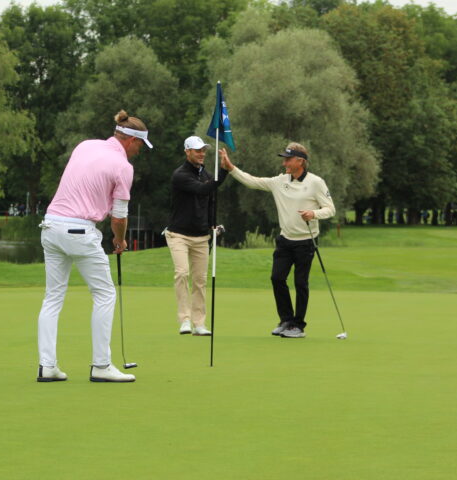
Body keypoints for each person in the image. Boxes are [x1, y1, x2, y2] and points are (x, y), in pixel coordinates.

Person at [36, 110, 152, 383]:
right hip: (79, 231)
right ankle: (101, 365)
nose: (139, 152)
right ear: (130, 140)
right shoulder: (124, 167)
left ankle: (47, 366)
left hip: (50, 226)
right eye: (140, 146)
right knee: (104, 294)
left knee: (52, 297)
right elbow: (119, 215)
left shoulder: (85, 145)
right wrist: (120, 240)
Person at [219, 142, 335, 338]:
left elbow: (330, 209)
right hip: (285, 240)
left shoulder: (316, 182)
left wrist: (313, 213)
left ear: (301, 161)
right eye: (284, 159)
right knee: (277, 278)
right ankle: (286, 320)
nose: (284, 163)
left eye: (288, 159)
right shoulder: (280, 181)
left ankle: (298, 325)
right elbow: (253, 181)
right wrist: (231, 169)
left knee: (300, 283)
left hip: (306, 242)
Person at [165, 136, 228, 336]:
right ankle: (184, 319)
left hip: (201, 236)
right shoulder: (180, 175)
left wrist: (212, 225)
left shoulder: (207, 174)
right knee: (182, 273)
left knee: (200, 280)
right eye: (197, 150)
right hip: (178, 234)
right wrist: (224, 171)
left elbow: (210, 202)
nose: (201, 154)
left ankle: (199, 323)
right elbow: (202, 190)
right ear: (187, 152)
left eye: (203, 150)